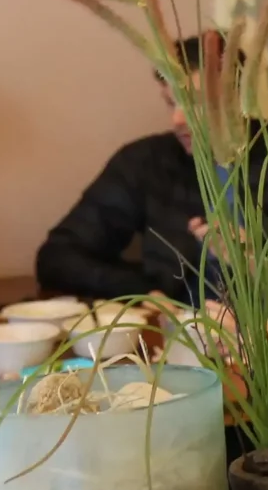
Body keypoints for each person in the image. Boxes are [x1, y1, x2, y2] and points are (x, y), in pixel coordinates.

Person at [36, 37, 208, 302]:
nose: (177, 120)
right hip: (170, 335)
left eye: (194, 102)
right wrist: (144, 291)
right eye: (171, 103)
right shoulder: (148, 161)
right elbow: (58, 256)